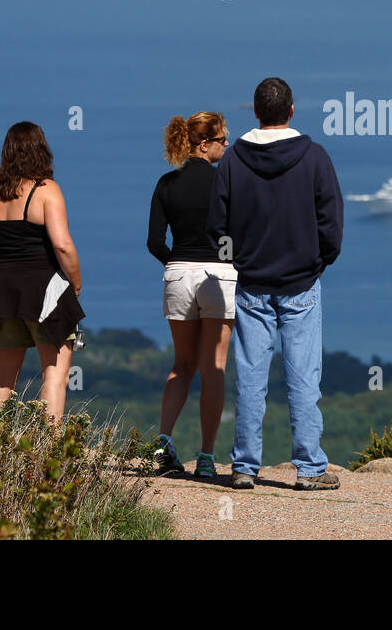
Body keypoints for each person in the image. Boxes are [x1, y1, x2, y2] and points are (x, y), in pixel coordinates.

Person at [207, 77, 344, 491]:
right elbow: (331, 223)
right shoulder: (315, 156)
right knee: (304, 376)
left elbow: (218, 226)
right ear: (290, 111)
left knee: (250, 376)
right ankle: (308, 468)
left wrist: (238, 261)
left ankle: (245, 467)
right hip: (301, 282)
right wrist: (319, 261)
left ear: (254, 112)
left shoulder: (232, 161)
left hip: (251, 283)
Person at [0, 122, 83, 422]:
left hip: (3, 293)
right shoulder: (46, 190)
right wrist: (75, 282)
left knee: (3, 377)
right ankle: (50, 452)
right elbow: (62, 246)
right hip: (44, 291)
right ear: (41, 150)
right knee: (55, 375)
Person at [147, 111, 236, 479]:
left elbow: (154, 242)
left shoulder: (166, 183)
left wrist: (177, 264)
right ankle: (206, 457)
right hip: (220, 274)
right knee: (213, 367)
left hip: (178, 275)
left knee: (181, 364)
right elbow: (239, 235)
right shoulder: (227, 183)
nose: (227, 145)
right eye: (222, 140)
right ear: (205, 144)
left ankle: (164, 440)